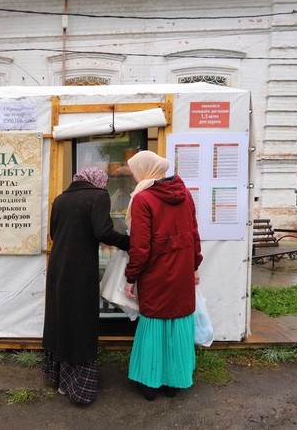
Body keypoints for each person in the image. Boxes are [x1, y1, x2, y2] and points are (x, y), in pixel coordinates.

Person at [42, 166, 130, 404]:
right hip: (80, 270)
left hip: (58, 266)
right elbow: (103, 231)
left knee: (60, 318)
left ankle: (59, 378)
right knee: (80, 321)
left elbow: (53, 232)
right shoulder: (98, 196)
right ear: (98, 181)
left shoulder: (60, 199)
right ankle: (79, 387)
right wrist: (129, 242)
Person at [123, 150, 202, 401]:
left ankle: (150, 382)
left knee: (154, 323)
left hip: (155, 272)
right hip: (181, 270)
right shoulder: (185, 194)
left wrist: (130, 277)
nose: (134, 175)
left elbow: (140, 246)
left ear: (145, 169)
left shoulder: (143, 199)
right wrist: (194, 265)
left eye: (135, 170)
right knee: (178, 322)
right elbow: (194, 233)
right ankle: (175, 381)